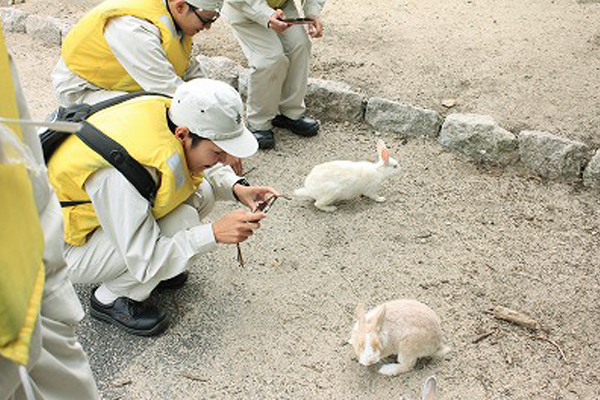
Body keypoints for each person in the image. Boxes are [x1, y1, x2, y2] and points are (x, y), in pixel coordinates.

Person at [46, 78, 279, 337]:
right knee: (182, 221)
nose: (228, 160)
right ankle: (111, 298)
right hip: (59, 253)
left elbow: (185, 165)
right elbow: (145, 259)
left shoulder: (171, 113)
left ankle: (154, 273)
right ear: (183, 135)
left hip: (85, 224)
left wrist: (236, 187)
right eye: (218, 153)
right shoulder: (120, 174)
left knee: (203, 194)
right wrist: (213, 234)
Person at [0, 24, 99, 400]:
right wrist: (209, 235)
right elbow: (141, 253)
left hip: (24, 291)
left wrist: (229, 186)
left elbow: (27, 170)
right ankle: (112, 298)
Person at [52, 0, 243, 174]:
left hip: (123, 83)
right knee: (154, 117)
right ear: (181, 7)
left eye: (213, 20)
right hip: (83, 91)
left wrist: (228, 127)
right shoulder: (132, 29)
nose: (208, 27)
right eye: (205, 21)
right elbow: (175, 95)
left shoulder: (174, 21)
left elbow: (193, 76)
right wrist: (222, 140)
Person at [221, 0, 326, 149]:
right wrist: (266, 15)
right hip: (244, 9)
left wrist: (312, 13)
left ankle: (289, 112)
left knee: (300, 45)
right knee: (270, 58)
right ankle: (258, 122)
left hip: (281, 6)